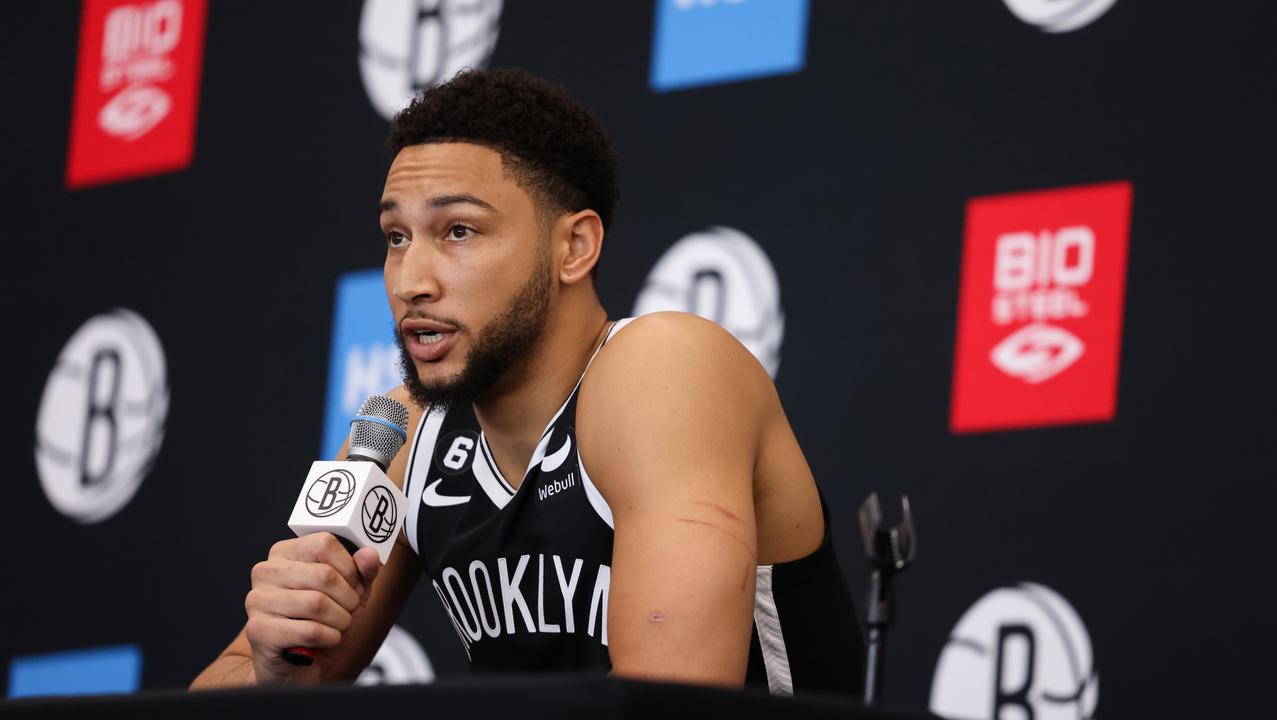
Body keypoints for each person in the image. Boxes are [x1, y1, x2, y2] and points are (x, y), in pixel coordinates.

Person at [191, 68, 863, 696]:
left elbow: (664, 709)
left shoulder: (664, 367)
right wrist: (276, 668)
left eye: (458, 230)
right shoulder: (400, 431)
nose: (409, 281)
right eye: (396, 236)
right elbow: (217, 691)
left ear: (574, 248)